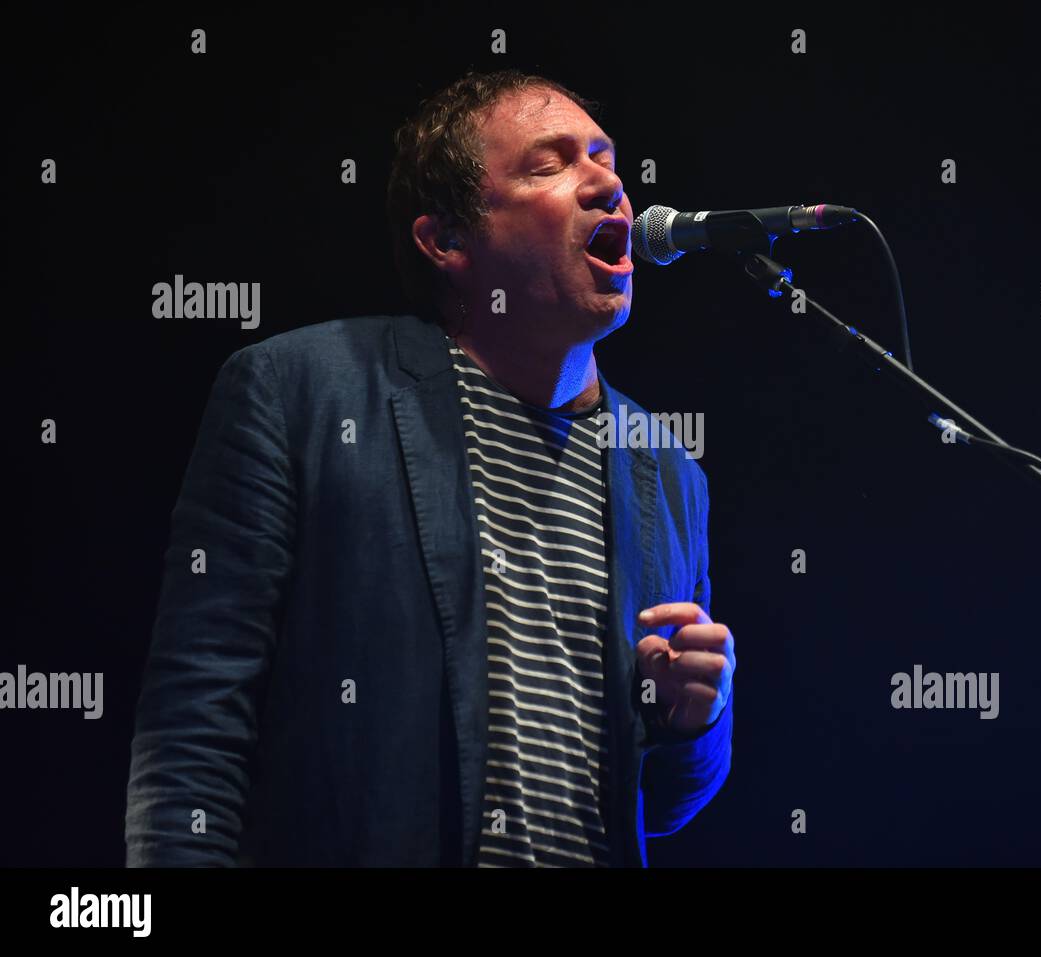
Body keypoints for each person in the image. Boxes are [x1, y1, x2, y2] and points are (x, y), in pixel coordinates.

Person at [124, 69, 735, 867]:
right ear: (447, 240)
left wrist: (691, 721)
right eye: (551, 165)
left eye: (605, 158)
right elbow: (196, 719)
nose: (609, 185)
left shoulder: (667, 471)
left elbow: (656, 807)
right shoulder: (302, 391)